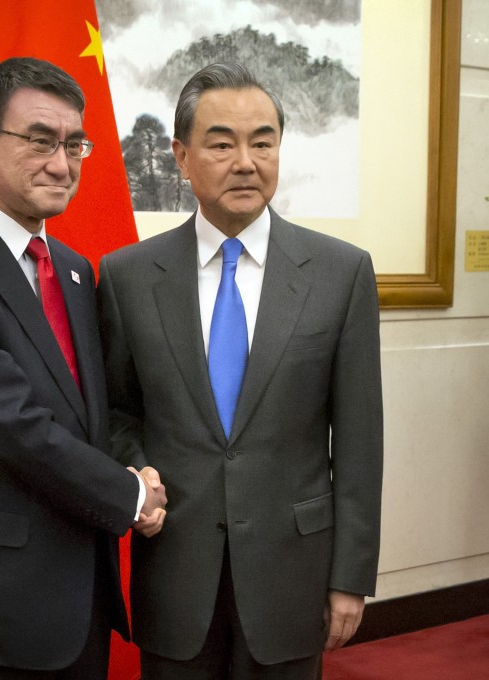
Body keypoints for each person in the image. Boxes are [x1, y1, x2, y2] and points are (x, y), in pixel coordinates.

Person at [98, 62, 383, 679]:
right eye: (222, 144)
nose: (246, 162)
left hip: (293, 574)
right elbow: (118, 411)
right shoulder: (127, 277)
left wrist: (351, 578)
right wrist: (137, 469)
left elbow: (360, 443)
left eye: (263, 142)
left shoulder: (341, 273)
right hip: (174, 565)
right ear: (181, 156)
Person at [0, 56, 168, 680]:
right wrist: (129, 494)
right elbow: (11, 425)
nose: (62, 165)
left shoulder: (73, 270)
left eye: (75, 145)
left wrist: (137, 462)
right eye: (40, 141)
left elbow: (89, 416)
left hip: (81, 598)